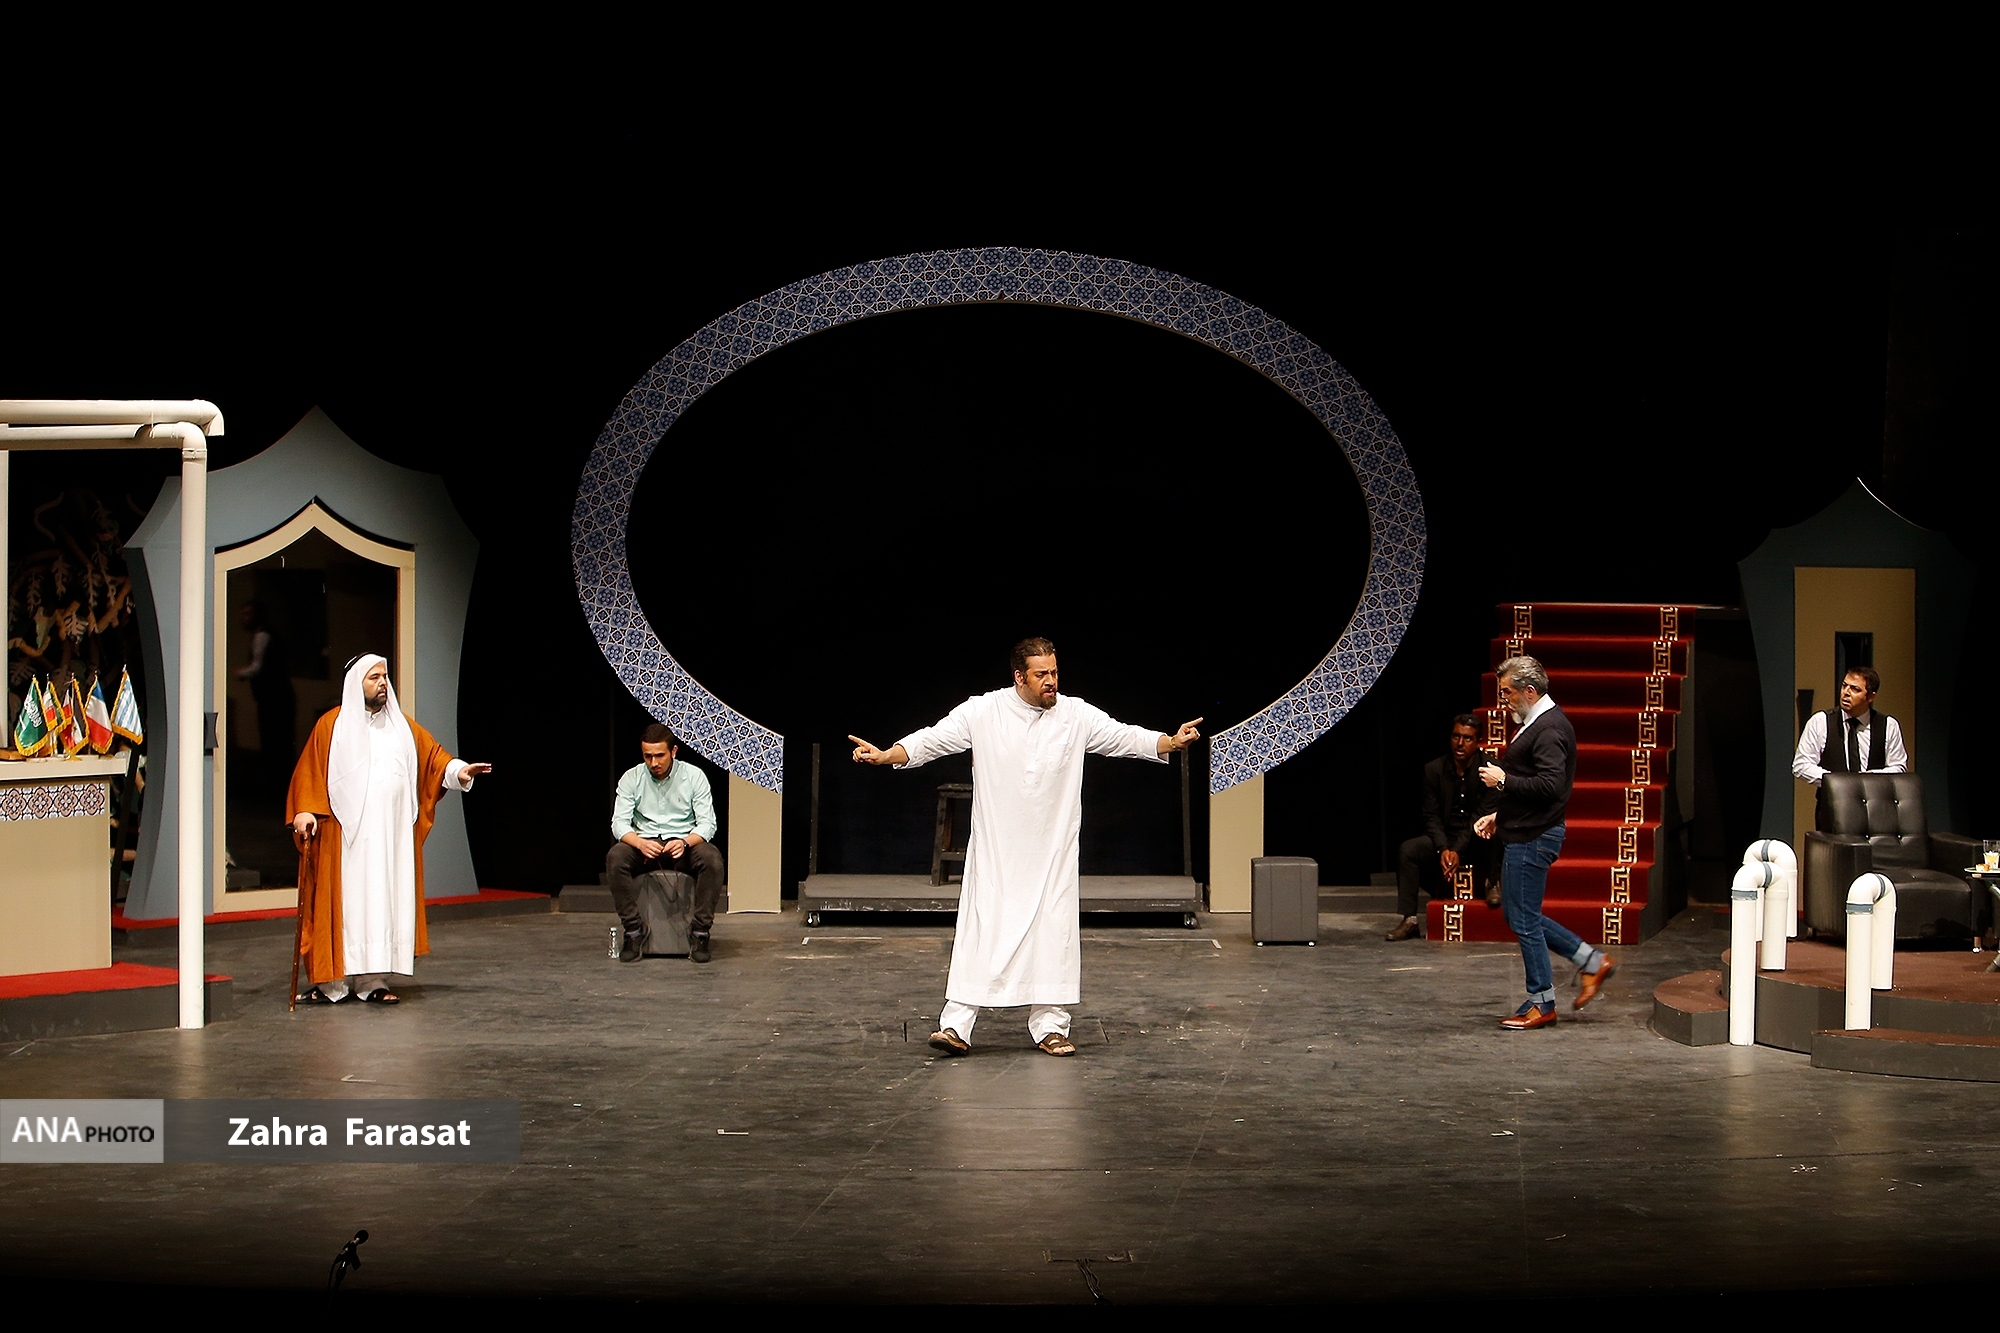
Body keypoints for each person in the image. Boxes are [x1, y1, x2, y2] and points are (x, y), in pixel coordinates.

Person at [849, 637, 1202, 1057]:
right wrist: (887, 755)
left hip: (1052, 853)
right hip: (997, 853)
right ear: (1019, 677)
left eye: (1054, 672)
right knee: (982, 931)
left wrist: (1170, 741)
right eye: (1041, 674)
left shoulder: (1075, 714)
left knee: (1052, 936)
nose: (1051, 681)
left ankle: (1050, 1027)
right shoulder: (984, 711)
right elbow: (933, 739)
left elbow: (1122, 737)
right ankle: (956, 1025)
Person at [287, 655, 491, 1004]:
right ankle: (332, 984)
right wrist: (305, 810)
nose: (383, 683)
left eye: (384, 676)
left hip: (389, 838)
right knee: (346, 907)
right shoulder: (331, 726)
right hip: (345, 840)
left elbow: (434, 759)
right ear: (356, 684)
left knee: (382, 903)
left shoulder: (401, 726)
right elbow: (310, 771)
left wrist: (458, 771)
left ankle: (373, 981)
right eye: (374, 677)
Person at [1473, 655, 1614, 1029]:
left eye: (1508, 692)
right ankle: (1592, 962)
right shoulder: (1536, 723)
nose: (1504, 699)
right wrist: (1500, 816)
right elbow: (1535, 785)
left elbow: (1550, 786)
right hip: (1526, 830)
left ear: (1530, 690)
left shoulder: (1549, 728)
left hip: (1534, 837)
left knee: (1523, 919)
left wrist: (1503, 780)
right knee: (1519, 916)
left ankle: (1542, 1002)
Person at [606, 722, 724, 964]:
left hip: (683, 845)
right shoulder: (631, 778)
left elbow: (707, 824)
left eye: (659, 755)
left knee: (712, 859)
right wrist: (639, 843)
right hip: (645, 845)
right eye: (647, 756)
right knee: (616, 857)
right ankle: (634, 930)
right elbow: (619, 824)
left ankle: (700, 932)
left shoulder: (694, 776)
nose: (654, 762)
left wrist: (685, 842)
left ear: (673, 751)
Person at [1387, 714, 1501, 940]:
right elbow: (1430, 816)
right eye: (1456, 736)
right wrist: (1443, 849)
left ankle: (1492, 882)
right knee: (1408, 850)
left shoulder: (1490, 770)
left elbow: (1480, 816)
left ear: (1478, 742)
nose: (1460, 743)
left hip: (1475, 837)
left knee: (1495, 833)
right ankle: (1409, 920)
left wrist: (1456, 850)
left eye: (1467, 738)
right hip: (1445, 837)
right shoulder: (1434, 770)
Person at [1791, 666, 1907, 830]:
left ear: (1870, 696)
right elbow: (1801, 765)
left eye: (1855, 689)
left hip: (1876, 813)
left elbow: (1899, 767)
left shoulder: (1888, 725)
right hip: (1833, 811)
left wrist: (1869, 778)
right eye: (1844, 686)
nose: (1846, 693)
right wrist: (1837, 782)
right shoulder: (1821, 722)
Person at [236, 600, 294, 795]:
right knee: (277, 743)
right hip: (276, 698)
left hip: (275, 700)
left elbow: (257, 666)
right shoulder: (264, 635)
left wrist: (240, 673)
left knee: (275, 743)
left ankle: (277, 790)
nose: (244, 619)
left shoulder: (262, 636)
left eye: (248, 614)